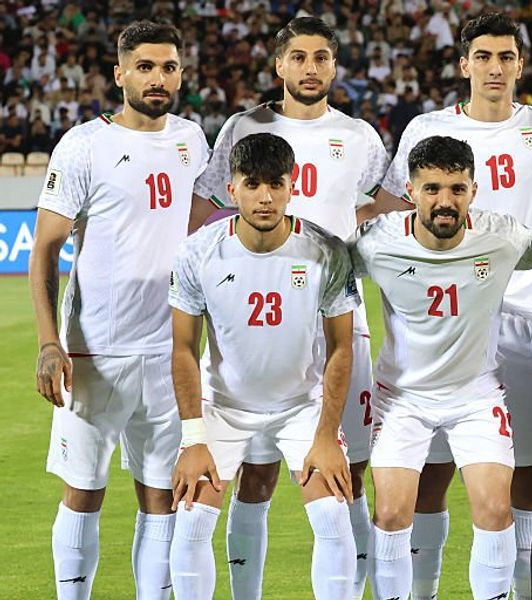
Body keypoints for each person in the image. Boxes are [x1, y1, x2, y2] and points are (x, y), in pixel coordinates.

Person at [374, 12, 532, 600]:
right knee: (431, 474)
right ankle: (422, 589)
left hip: (524, 316)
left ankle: (517, 590)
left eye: (506, 57)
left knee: (523, 471)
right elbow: (392, 211)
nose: (495, 68)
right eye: (484, 57)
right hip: (446, 322)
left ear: (520, 64)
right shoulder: (428, 128)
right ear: (464, 63)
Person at [190, 17, 390, 597]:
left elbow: (381, 208)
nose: (310, 67)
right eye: (298, 57)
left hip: (339, 319)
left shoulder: (359, 137)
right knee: (255, 475)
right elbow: (203, 206)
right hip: (257, 322)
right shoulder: (244, 127)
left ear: (335, 65)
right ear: (279, 64)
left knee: (348, 470)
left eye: (321, 57)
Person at [29, 21, 210, 600]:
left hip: (169, 351)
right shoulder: (85, 145)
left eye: (169, 68)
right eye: (145, 67)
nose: (158, 79)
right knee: (84, 491)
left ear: (180, 74)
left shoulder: (192, 139)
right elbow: (45, 249)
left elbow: (197, 229)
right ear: (120, 74)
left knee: (162, 497)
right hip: (94, 352)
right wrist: (49, 341)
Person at [352, 135, 532, 600]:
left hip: (476, 396)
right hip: (402, 399)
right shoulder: (377, 241)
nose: (445, 201)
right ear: (410, 190)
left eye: (457, 189)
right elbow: (327, 269)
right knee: (392, 513)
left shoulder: (502, 237)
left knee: (494, 508)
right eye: (432, 189)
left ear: (473, 191)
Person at [167, 133, 359, 600]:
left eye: (276, 183)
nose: (265, 196)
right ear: (231, 189)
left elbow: (341, 347)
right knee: (191, 519)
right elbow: (183, 348)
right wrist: (193, 438)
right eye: (252, 184)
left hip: (300, 406)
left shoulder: (326, 251)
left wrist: (326, 435)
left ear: (294, 186)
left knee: (334, 514)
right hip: (224, 406)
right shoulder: (198, 252)